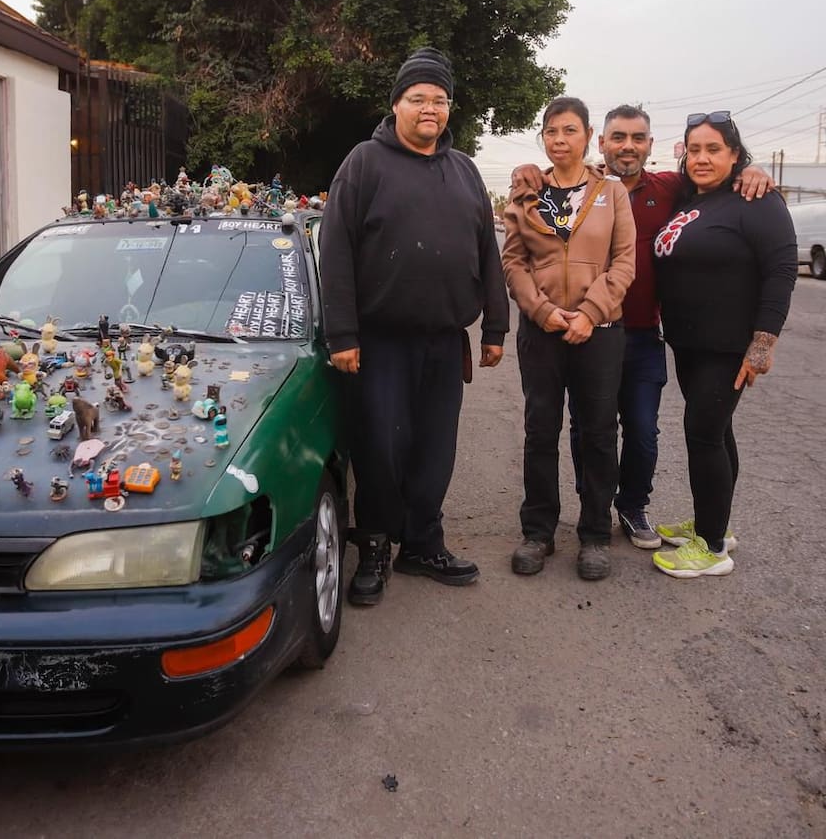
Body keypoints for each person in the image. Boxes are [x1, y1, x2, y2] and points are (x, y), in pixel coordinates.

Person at [511, 106, 774, 551]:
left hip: (631, 330)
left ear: (650, 145)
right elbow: (516, 258)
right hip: (566, 329)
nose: (627, 146)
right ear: (602, 142)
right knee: (569, 428)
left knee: (637, 429)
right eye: (618, 138)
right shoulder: (552, 189)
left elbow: (717, 174)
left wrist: (754, 168)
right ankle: (568, 515)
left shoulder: (671, 188)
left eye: (637, 138)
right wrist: (527, 169)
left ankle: (627, 509)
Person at [318, 47, 509, 607]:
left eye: (440, 99)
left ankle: (423, 543)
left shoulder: (465, 170)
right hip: (379, 342)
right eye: (419, 98)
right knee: (380, 447)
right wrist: (343, 335)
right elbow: (337, 252)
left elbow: (486, 253)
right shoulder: (363, 163)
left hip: (444, 343)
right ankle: (374, 544)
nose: (431, 108)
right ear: (397, 104)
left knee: (435, 447)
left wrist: (494, 327)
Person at [650, 111, 797, 577]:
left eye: (714, 149)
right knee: (718, 433)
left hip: (727, 346)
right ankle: (717, 523)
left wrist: (762, 345)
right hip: (689, 344)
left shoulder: (755, 200)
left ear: (735, 155)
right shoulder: (692, 199)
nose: (702, 158)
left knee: (703, 434)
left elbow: (781, 270)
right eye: (694, 149)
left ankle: (711, 548)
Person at [501, 97, 635, 581]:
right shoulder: (526, 192)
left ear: (587, 135)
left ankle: (595, 535)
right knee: (541, 431)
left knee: (599, 433)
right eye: (552, 132)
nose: (560, 140)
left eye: (570, 131)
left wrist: (589, 313)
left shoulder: (611, 192)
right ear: (543, 137)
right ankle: (537, 532)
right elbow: (513, 262)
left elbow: (624, 262)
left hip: (598, 333)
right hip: (542, 333)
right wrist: (541, 311)